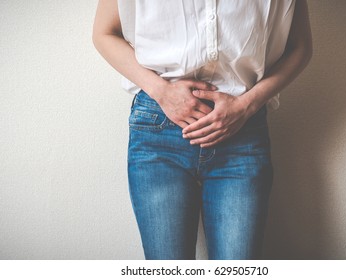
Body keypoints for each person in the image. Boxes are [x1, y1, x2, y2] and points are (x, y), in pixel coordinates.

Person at [93, 0, 312, 260]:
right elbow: (104, 33)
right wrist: (162, 92)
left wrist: (246, 106)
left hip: (242, 134)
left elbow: (300, 47)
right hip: (158, 130)